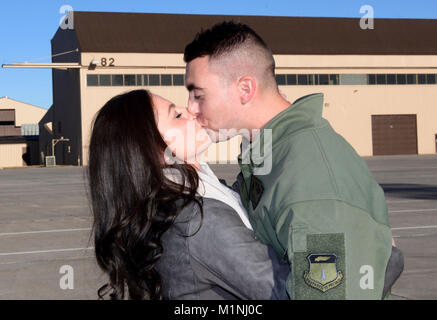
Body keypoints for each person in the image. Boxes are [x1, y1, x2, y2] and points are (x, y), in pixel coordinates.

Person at [184, 21, 404, 299]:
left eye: (198, 95)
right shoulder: (268, 153)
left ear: (244, 90)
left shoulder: (310, 177)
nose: (190, 108)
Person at [87, 89, 289, 300]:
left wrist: (260, 132)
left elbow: (243, 197)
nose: (192, 111)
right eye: (177, 115)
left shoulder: (179, 201)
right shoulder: (201, 220)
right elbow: (290, 290)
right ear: (151, 150)